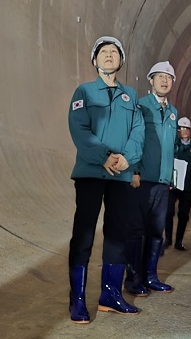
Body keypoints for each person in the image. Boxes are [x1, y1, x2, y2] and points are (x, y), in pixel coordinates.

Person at [67, 36, 145, 323]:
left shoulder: (131, 96)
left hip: (122, 175)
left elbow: (138, 131)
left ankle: (110, 296)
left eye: (114, 52)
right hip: (91, 172)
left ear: (121, 61)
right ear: (95, 60)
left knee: (116, 234)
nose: (109, 55)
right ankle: (77, 301)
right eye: (104, 52)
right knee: (84, 234)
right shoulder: (84, 92)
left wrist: (127, 158)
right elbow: (79, 129)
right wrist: (104, 156)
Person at [124, 61, 178, 296]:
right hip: (142, 177)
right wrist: (133, 170)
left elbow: (171, 147)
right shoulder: (142, 106)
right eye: (160, 77)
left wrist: (171, 175)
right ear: (151, 80)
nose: (164, 81)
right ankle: (133, 279)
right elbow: (134, 138)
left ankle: (150, 276)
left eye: (168, 77)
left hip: (162, 181)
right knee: (136, 229)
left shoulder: (174, 112)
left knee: (156, 231)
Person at [165, 116, 191, 251]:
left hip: (187, 185)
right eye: (181, 129)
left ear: (190, 130)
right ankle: (168, 239)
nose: (184, 131)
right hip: (173, 184)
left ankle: (179, 241)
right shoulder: (173, 145)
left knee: (183, 214)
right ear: (178, 131)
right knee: (168, 212)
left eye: (186, 129)